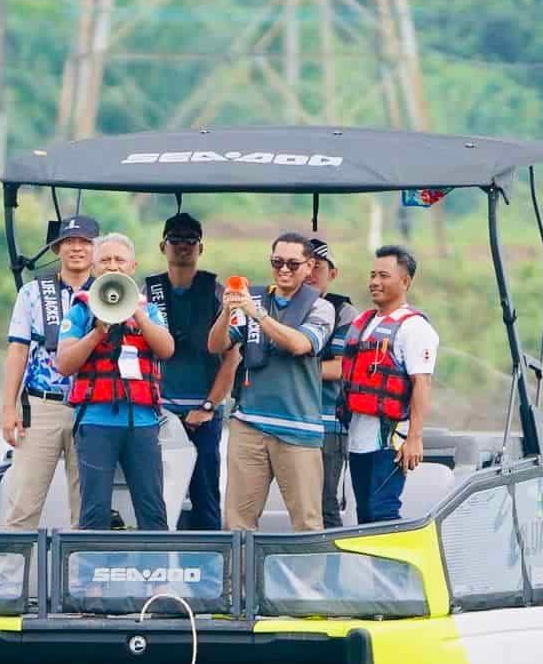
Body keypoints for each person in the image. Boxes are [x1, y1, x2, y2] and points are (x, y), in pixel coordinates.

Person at [209, 232, 336, 532]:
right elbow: (216, 345)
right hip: (248, 424)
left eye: (293, 264)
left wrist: (259, 315)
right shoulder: (254, 299)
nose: (284, 269)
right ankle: (239, 579)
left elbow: (300, 344)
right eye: (277, 262)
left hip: (298, 430)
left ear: (309, 267)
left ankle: (307, 581)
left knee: (307, 522)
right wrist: (227, 312)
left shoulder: (321, 307)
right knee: (237, 523)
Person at [56, 233, 176, 531]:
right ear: (95, 268)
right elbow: (65, 363)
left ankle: (157, 576)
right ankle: (90, 578)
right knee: (94, 510)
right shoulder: (81, 310)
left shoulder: (149, 310)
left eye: (119, 260)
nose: (113, 266)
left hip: (142, 423)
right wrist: (97, 332)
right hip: (96, 423)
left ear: (132, 266)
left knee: (152, 507)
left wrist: (137, 312)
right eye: (105, 260)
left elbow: (167, 349)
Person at [0, 215, 96, 529]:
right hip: (42, 405)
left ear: (95, 248)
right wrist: (8, 408)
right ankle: (13, 577)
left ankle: (85, 578)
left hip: (92, 407)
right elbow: (17, 350)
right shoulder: (31, 293)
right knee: (24, 502)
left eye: (84, 242)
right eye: (69, 242)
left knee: (87, 508)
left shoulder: (109, 292)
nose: (77, 249)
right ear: (57, 248)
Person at [143, 212, 240, 530]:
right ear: (163, 246)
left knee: (205, 494)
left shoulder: (217, 293)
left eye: (190, 241)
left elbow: (231, 358)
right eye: (175, 240)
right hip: (159, 411)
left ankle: (211, 573)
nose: (183, 247)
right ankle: (155, 567)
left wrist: (209, 407)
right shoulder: (147, 294)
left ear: (201, 248)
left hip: (204, 412)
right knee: (154, 495)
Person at [339, 245, 439, 523]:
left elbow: (422, 383)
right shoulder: (366, 322)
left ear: (405, 282)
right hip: (359, 437)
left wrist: (415, 438)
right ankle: (370, 567)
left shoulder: (415, 328)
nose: (374, 282)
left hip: (390, 440)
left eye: (383, 276)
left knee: (383, 512)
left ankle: (391, 568)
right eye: (372, 275)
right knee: (364, 516)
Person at [307, 238, 359, 528]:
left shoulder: (344, 312)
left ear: (333, 274)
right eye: (307, 266)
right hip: (291, 422)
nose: (312, 272)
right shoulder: (283, 306)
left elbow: (341, 367)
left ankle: (333, 572)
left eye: (319, 267)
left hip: (329, 424)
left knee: (326, 506)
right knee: (302, 507)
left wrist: (291, 371)